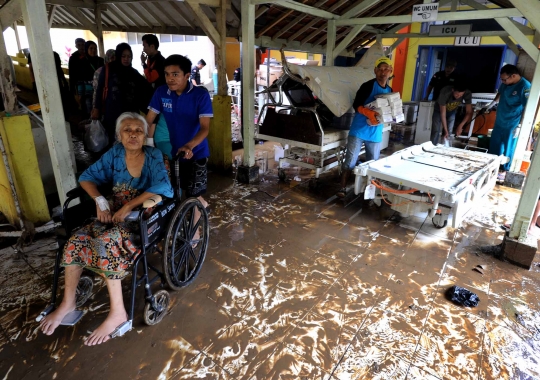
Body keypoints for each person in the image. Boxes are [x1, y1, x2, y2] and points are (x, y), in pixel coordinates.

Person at [39, 112, 173, 345]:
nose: (133, 134)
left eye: (138, 130)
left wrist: (129, 206)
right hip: (113, 215)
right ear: (119, 136)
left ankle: (118, 312)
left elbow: (163, 185)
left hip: (142, 217)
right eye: (127, 130)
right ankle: (68, 303)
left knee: (107, 241)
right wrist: (100, 201)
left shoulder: (154, 156)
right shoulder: (114, 154)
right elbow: (87, 177)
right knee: (77, 239)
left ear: (145, 136)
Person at [145, 54, 212, 211]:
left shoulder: (200, 95)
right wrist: (144, 142)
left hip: (197, 152)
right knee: (178, 188)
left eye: (175, 74)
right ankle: (201, 205)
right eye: (167, 74)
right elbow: (148, 120)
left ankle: (194, 234)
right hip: (176, 151)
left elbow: (205, 128)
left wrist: (189, 146)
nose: (170, 79)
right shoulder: (161, 93)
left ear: (187, 76)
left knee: (192, 195)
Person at [337, 56, 393, 198]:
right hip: (359, 129)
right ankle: (342, 188)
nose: (383, 72)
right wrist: (367, 112)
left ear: (391, 71)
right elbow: (357, 105)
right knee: (350, 161)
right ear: (375, 71)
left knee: (372, 163)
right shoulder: (367, 86)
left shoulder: (390, 90)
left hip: (375, 132)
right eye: (380, 69)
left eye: (386, 69)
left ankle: (369, 193)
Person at [92, 43, 152, 142]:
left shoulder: (134, 73)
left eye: (129, 56)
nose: (126, 59)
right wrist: (96, 108)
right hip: (112, 113)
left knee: (128, 138)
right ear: (118, 56)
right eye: (123, 56)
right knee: (113, 138)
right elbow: (99, 89)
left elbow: (146, 88)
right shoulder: (108, 69)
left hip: (130, 113)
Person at [487, 64, 531, 175]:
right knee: (495, 144)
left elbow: (527, 106)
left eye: (504, 79)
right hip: (500, 119)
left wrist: (520, 125)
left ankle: (504, 170)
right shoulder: (506, 83)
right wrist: (492, 104)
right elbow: (500, 93)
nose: (503, 81)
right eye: (501, 79)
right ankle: (491, 167)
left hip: (512, 122)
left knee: (508, 147)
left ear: (513, 76)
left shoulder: (525, 87)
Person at [430, 80, 472, 145]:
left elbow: (468, 112)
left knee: (449, 132)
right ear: (453, 90)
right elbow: (443, 113)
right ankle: (432, 147)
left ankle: (445, 148)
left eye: (461, 95)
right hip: (439, 110)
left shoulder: (467, 93)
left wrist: (460, 126)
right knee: (436, 131)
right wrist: (445, 130)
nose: (458, 97)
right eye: (457, 94)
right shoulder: (445, 92)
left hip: (452, 111)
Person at [75, 41, 104, 117]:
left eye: (95, 48)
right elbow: (79, 79)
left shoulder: (100, 61)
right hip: (87, 92)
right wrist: (80, 94)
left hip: (99, 90)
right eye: (91, 48)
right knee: (89, 111)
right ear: (86, 49)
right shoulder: (82, 62)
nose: (93, 50)